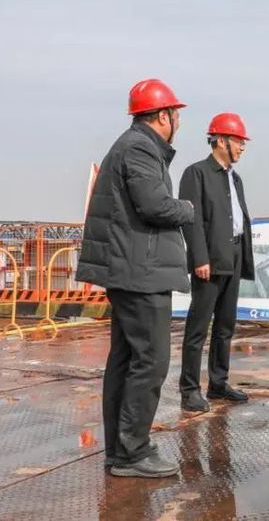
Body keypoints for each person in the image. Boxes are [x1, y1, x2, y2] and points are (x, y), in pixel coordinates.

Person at [76, 78, 194, 478]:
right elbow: (155, 206)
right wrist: (187, 208)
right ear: (163, 116)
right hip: (140, 272)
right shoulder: (141, 148)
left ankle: (121, 448)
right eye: (175, 115)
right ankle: (132, 452)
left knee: (126, 361)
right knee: (151, 361)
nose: (178, 123)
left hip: (130, 268)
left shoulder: (131, 146)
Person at [179, 112, 255, 413]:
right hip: (209, 260)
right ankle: (189, 390)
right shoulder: (196, 173)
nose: (242, 147)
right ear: (221, 140)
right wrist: (200, 257)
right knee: (198, 328)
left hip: (233, 256)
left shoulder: (235, 178)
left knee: (225, 325)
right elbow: (191, 219)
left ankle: (219, 383)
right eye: (239, 141)